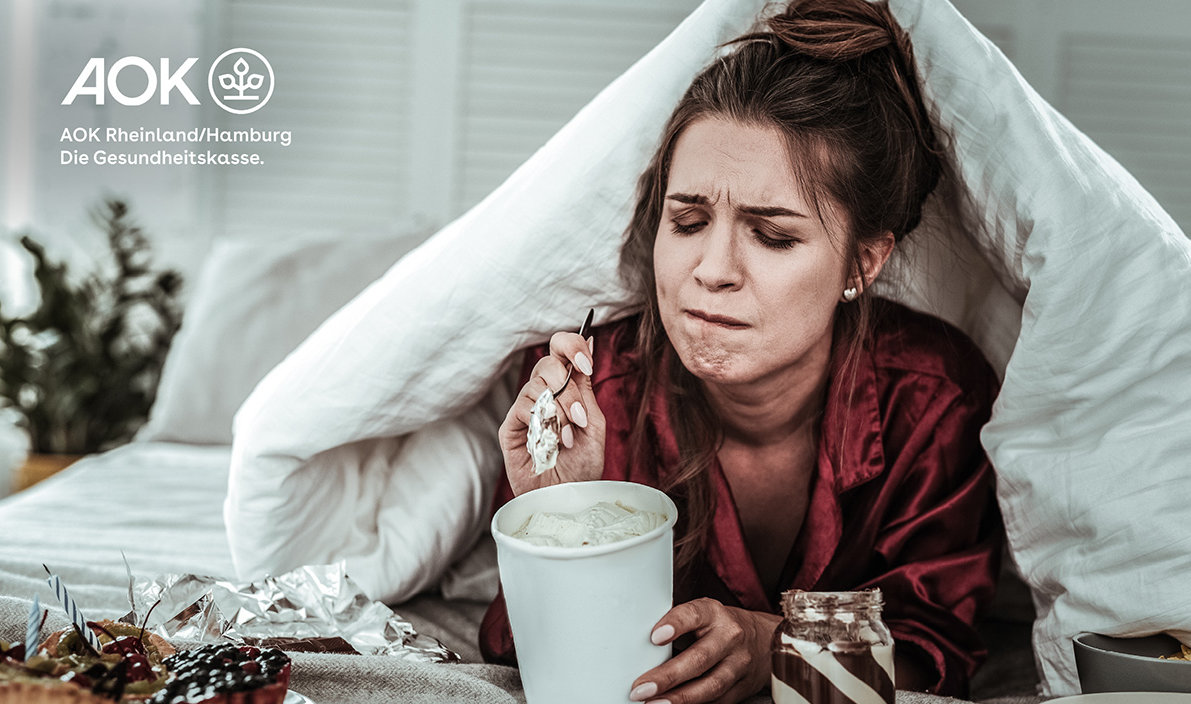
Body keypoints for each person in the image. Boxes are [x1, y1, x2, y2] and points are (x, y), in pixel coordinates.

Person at [480, 0, 1002, 701]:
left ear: (863, 262)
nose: (712, 270)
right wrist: (562, 514)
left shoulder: (935, 398)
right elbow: (516, 649)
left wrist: (777, 649)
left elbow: (935, 657)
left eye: (773, 236)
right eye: (687, 222)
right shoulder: (590, 398)